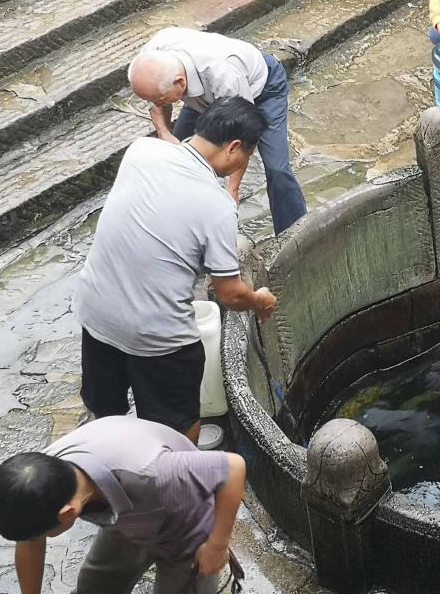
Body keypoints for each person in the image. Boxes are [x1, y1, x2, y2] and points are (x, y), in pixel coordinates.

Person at [74, 98, 277, 443]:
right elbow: (229, 294)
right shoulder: (217, 206)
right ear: (234, 148)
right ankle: (175, 478)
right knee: (177, 426)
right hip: (157, 336)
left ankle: (109, 462)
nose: (244, 163)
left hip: (95, 313)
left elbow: (175, 164)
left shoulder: (141, 151)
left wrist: (164, 129)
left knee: (105, 410)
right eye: (247, 157)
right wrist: (259, 301)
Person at [0, 415, 246, 594]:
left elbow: (233, 468)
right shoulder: (39, 480)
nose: (34, 539)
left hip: (184, 521)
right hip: (124, 514)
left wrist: (217, 545)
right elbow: (29, 542)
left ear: (69, 513)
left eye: (42, 533)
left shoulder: (155, 472)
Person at [128, 26, 306, 235]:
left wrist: (233, 189)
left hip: (262, 90)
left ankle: (294, 235)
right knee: (176, 160)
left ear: (180, 82)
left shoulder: (225, 76)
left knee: (277, 168)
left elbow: (244, 137)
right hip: (203, 95)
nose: (158, 103)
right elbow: (156, 101)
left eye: (161, 99)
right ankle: (181, 225)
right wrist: (165, 134)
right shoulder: (153, 58)